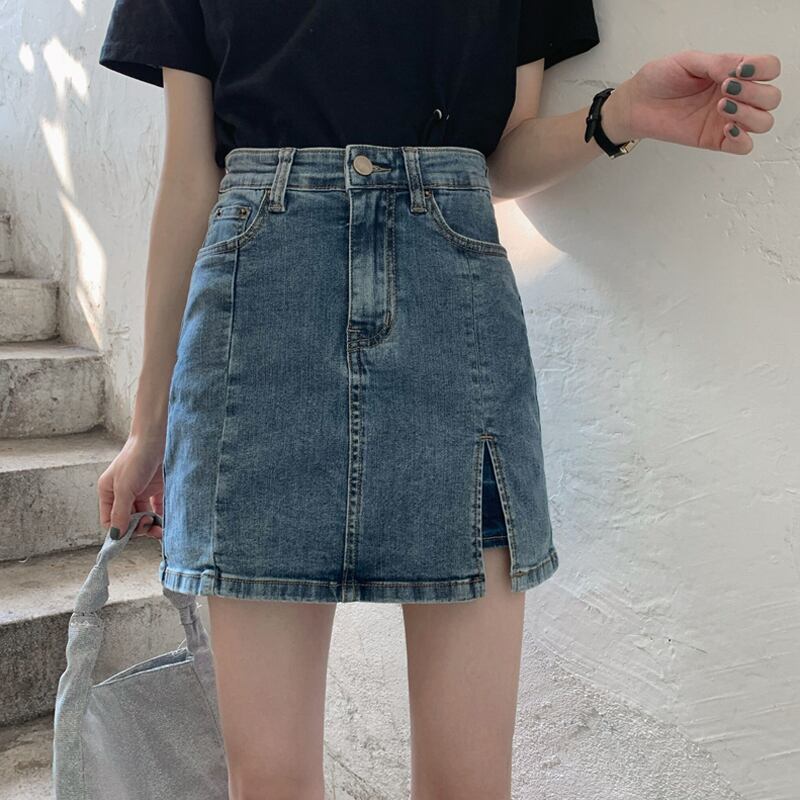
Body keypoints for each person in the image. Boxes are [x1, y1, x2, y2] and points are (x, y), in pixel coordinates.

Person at [95, 1, 782, 797]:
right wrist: (149, 427)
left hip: (452, 321)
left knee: (469, 783)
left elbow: (497, 157)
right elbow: (191, 177)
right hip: (258, 325)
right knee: (270, 780)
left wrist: (617, 114)